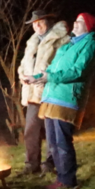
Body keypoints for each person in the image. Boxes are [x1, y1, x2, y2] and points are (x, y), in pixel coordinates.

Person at [26, 12, 95, 189]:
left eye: (79, 22)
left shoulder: (88, 44)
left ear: (88, 27)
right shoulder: (68, 45)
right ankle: (61, 178)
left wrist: (50, 77)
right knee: (53, 143)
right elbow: (52, 68)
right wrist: (36, 77)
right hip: (51, 96)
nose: (74, 24)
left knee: (62, 142)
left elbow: (78, 71)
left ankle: (68, 180)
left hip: (66, 98)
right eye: (75, 21)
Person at [17, 10, 71, 176]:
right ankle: (31, 164)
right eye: (34, 23)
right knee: (31, 130)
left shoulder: (60, 40)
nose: (36, 25)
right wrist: (22, 76)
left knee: (51, 131)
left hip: (50, 91)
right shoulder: (32, 42)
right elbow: (23, 64)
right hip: (32, 93)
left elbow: (62, 65)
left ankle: (49, 164)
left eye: (40, 22)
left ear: (48, 22)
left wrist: (41, 77)